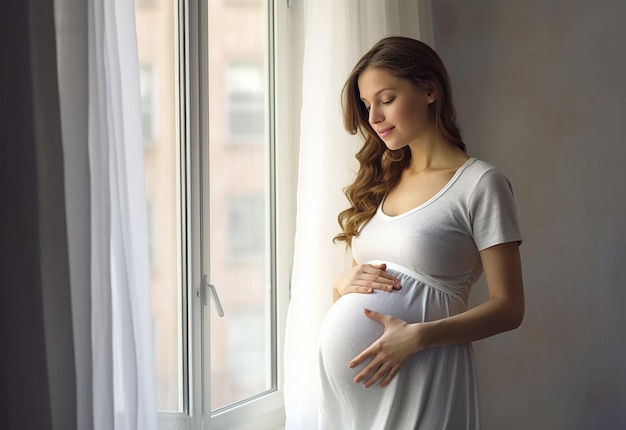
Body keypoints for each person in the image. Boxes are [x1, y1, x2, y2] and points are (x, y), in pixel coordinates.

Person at [317, 36, 524, 429]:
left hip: (425, 377)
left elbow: (510, 308)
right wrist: (341, 282)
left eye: (387, 98)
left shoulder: (480, 184)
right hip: (356, 401)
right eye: (366, 105)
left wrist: (418, 337)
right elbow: (356, 298)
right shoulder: (380, 182)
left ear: (429, 90)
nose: (374, 116)